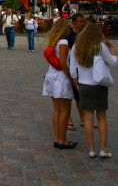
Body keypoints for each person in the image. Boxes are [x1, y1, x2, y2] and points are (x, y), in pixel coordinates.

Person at [69, 23, 118, 159]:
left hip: (84, 85)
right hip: (99, 85)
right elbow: (113, 62)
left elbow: (73, 70)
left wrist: (77, 84)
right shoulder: (100, 47)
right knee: (101, 117)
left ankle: (91, 149)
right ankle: (103, 148)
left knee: (88, 118)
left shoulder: (76, 47)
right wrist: (112, 49)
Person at [42, 18, 77, 149]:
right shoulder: (63, 41)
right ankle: (62, 139)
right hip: (61, 77)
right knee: (65, 110)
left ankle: (57, 138)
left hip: (51, 75)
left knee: (57, 110)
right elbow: (63, 62)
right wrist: (72, 78)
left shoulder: (53, 40)